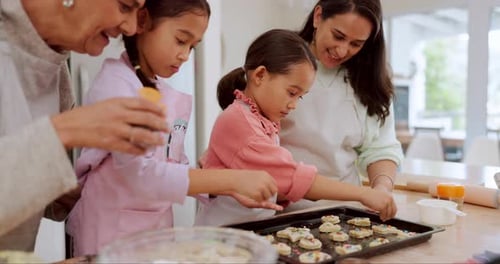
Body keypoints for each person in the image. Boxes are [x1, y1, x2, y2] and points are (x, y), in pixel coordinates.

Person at [66, 1, 280, 256]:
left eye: (192, 46)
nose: (185, 55)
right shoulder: (115, 85)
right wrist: (230, 179)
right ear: (142, 21)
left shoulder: (164, 93)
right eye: (181, 40)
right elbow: (142, 174)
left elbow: (172, 163)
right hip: (108, 235)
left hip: (153, 232)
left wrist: (223, 188)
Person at [0, 0, 171, 251]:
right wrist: (65, 130)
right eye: (125, 6)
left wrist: (87, 197)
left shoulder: (54, 65)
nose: (132, 28)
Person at [194, 28, 397, 227]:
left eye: (300, 96)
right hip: (221, 236)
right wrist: (363, 193)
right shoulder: (239, 122)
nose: (294, 105)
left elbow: (276, 181)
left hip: (249, 229)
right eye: (291, 93)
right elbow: (292, 177)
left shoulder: (261, 118)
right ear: (260, 75)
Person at [279, 0, 404, 211]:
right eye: (338, 36)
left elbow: (381, 148)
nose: (342, 50)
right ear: (318, 17)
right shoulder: (280, 61)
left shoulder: (370, 82)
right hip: (281, 207)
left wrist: (381, 187)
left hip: (345, 209)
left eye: (356, 44)